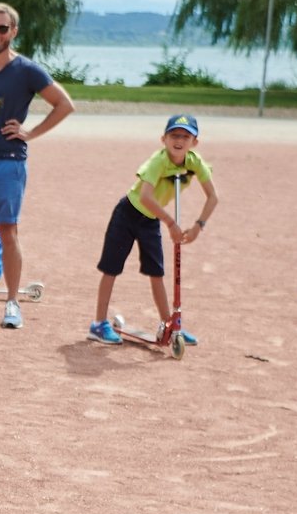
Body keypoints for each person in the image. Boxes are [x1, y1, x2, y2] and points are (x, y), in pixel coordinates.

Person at [0, 3, 75, 329]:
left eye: (2, 29)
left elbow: (64, 104)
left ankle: (13, 304)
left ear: (13, 32)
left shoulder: (28, 71)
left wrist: (31, 133)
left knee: (7, 231)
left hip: (9, 163)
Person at [88, 114, 218, 344]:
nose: (179, 140)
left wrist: (199, 226)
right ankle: (98, 324)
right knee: (111, 268)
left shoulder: (194, 162)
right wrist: (170, 223)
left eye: (185, 136)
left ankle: (169, 324)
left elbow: (213, 197)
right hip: (128, 214)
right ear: (163, 139)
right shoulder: (157, 162)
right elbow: (146, 197)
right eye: (174, 135)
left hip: (151, 221)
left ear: (194, 142)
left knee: (156, 272)